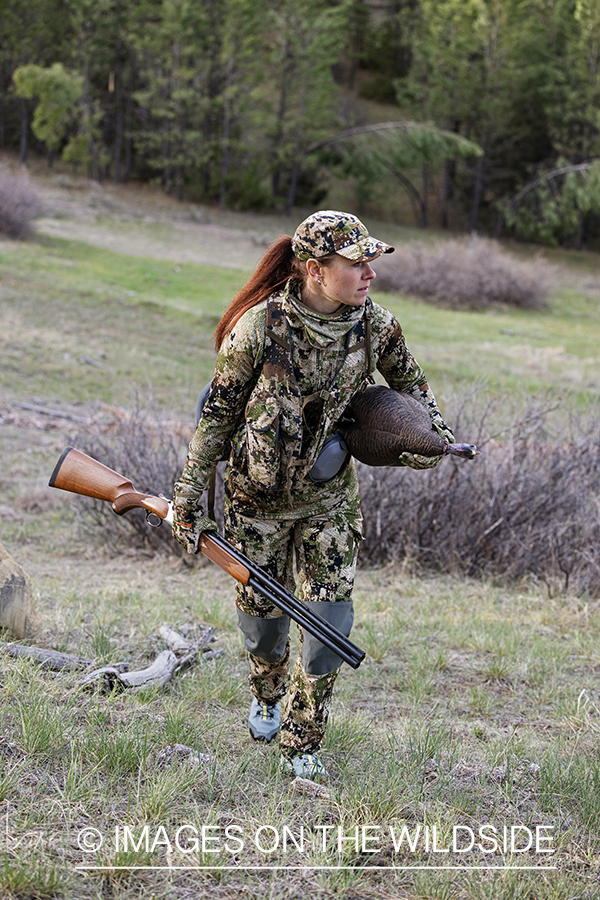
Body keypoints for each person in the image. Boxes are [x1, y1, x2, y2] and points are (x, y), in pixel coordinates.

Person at [171, 210, 454, 783]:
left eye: (371, 260)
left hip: (329, 500)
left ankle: (303, 740)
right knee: (264, 620)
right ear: (314, 270)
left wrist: (435, 442)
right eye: (356, 263)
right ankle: (268, 692)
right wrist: (188, 495)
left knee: (329, 619)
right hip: (257, 498)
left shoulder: (376, 326)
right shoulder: (258, 327)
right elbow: (217, 417)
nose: (369, 272)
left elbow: (415, 392)